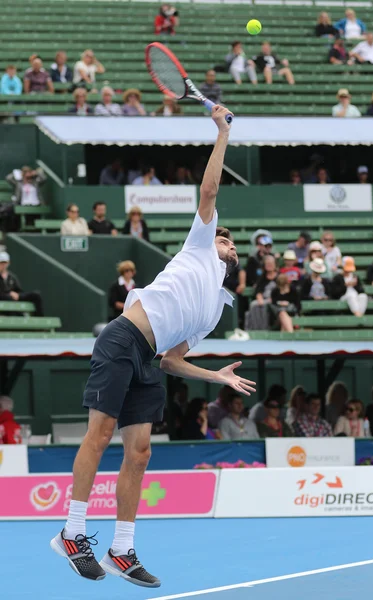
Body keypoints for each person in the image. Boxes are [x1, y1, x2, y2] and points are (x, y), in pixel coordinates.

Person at [50, 105, 256, 586]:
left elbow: (172, 360)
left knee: (139, 453)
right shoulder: (200, 244)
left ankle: (122, 548)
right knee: (99, 436)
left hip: (148, 358)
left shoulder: (212, 312)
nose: (229, 244)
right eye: (225, 240)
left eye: (233, 247)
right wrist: (222, 133)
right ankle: (72, 533)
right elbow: (209, 190)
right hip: (122, 339)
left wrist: (217, 376)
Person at [0, 251, 44, 316]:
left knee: (36, 295)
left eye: (5, 262)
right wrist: (9, 294)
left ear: (8, 263)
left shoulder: (12, 277)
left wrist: (18, 295)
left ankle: (40, 320)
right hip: (5, 298)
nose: (3, 265)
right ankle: (21, 317)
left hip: (15, 297)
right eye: (1, 263)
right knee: (9, 298)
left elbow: (19, 290)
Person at [246, 255, 277, 330]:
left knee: (262, 306)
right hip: (264, 300)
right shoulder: (262, 277)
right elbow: (258, 291)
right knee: (254, 305)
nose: (269, 266)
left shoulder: (279, 277)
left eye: (271, 264)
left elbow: (281, 291)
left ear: (275, 265)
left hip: (275, 300)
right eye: (267, 264)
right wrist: (260, 299)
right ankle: (254, 329)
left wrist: (272, 299)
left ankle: (264, 329)